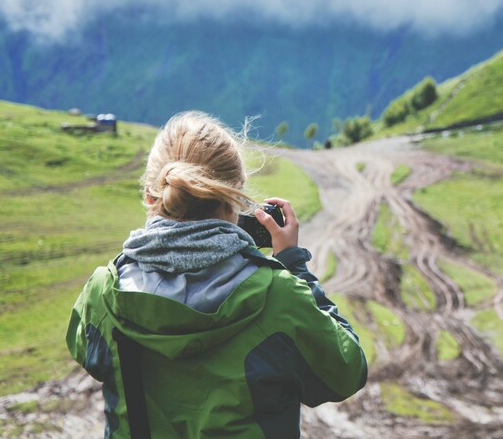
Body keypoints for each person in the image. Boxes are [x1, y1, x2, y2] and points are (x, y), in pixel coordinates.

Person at [66, 111, 367, 438]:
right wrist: (293, 265)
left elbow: (85, 352)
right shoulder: (278, 296)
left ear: (152, 197)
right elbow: (345, 373)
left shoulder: (103, 293)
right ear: (234, 200)